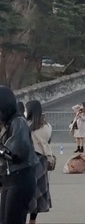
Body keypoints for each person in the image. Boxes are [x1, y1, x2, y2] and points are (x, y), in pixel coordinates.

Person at [0, 86, 39, 224]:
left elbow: (16, 153)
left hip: (20, 179)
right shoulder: (9, 123)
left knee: (13, 220)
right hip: (10, 179)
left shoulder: (19, 122)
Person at [25, 100, 53, 224]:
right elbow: (48, 142)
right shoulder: (47, 126)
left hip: (30, 161)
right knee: (38, 193)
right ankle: (33, 221)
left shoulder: (27, 126)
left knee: (26, 193)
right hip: (42, 161)